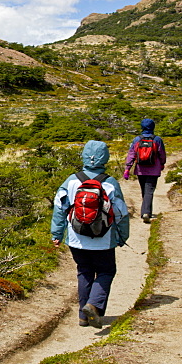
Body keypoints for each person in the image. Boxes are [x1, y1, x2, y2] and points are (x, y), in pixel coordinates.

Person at [51, 140, 130, 328]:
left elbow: (59, 209)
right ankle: (94, 305)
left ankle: (83, 316)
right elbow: (121, 213)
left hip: (76, 238)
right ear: (106, 157)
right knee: (106, 270)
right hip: (103, 240)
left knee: (84, 272)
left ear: (84, 156)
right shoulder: (110, 183)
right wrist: (122, 237)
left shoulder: (71, 180)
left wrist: (56, 234)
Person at [122, 118, 167, 224]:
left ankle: (146, 211)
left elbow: (131, 155)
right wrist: (162, 164)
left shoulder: (137, 139)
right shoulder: (157, 139)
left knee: (144, 190)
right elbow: (162, 154)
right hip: (154, 170)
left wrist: (127, 169)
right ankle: (146, 212)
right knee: (149, 191)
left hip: (140, 169)